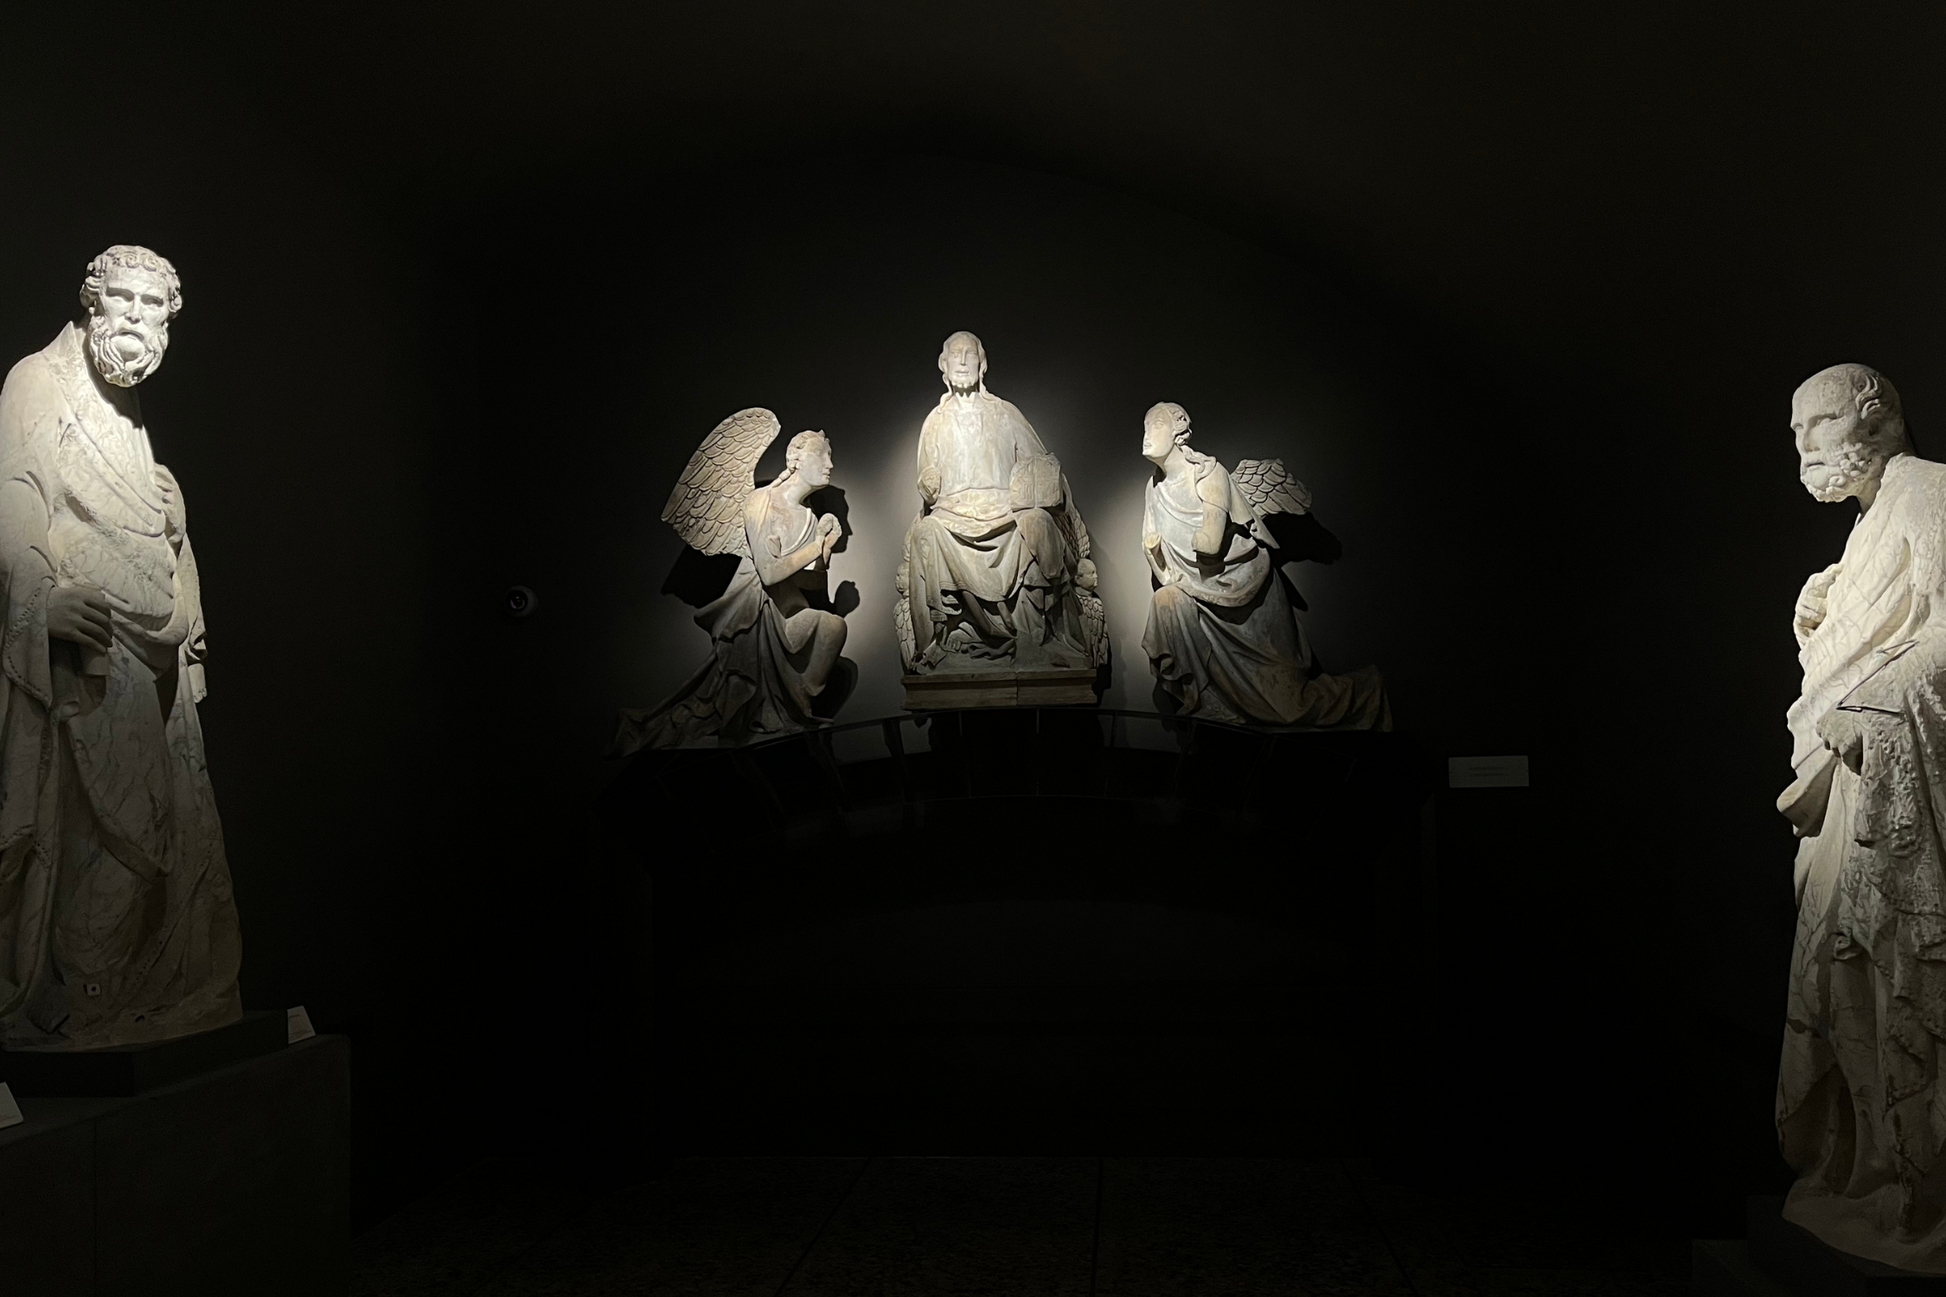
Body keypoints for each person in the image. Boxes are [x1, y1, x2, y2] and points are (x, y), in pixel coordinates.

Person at [0, 245, 241, 1049]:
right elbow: (18, 495)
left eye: (153, 308)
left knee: (171, 837)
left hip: (154, 655)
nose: (136, 320)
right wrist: (39, 599)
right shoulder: (41, 380)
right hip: (95, 651)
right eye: (124, 301)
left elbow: (133, 527)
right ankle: (92, 1000)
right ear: (92, 303)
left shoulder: (126, 411)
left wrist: (174, 526)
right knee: (121, 835)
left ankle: (146, 996)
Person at [1778, 363, 1946, 1271]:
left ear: (1875, 416)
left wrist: (1874, 701)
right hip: (1847, 781)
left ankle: (1911, 1187)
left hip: (1895, 783)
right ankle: (1866, 1174)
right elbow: (1874, 637)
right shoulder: (1865, 526)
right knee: (1843, 978)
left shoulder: (1928, 490)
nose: (1805, 443)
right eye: (1797, 431)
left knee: (1893, 976)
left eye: (1821, 420)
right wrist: (1820, 614)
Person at [1139, 401, 1386, 728]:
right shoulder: (1153, 489)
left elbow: (1210, 545)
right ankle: (1207, 701)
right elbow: (1158, 555)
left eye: (1155, 424)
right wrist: (1155, 552)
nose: (1145, 434)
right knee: (1164, 601)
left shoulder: (1210, 474)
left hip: (1247, 595)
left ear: (1179, 433)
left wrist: (1193, 539)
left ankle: (1366, 694)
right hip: (1195, 597)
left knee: (1290, 707)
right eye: (1146, 424)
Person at [613, 427, 845, 751]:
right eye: (822, 454)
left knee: (833, 626)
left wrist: (825, 552)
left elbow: (809, 582)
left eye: (830, 456)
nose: (829, 463)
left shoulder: (808, 517)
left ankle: (794, 712)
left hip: (791, 611)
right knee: (727, 706)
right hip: (754, 616)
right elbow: (769, 573)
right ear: (795, 458)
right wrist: (813, 548)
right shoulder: (760, 501)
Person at [897, 331, 1102, 672]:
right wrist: (928, 484)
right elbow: (927, 483)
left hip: (1006, 512)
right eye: (955, 354)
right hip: (953, 516)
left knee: (1035, 524)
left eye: (970, 354)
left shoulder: (1005, 414)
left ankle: (1032, 638)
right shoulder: (935, 422)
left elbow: (1041, 465)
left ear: (982, 363)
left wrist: (1040, 485)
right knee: (926, 533)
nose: (963, 361)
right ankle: (939, 645)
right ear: (943, 365)